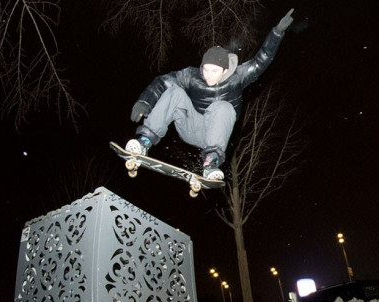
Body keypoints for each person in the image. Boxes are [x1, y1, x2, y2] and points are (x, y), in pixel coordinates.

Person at [125, 9, 295, 180]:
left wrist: (277, 32)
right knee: (174, 91)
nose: (208, 75)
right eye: (205, 69)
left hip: (215, 133)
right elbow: (163, 82)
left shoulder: (238, 77)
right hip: (190, 127)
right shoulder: (191, 76)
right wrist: (145, 102)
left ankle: (210, 163)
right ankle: (144, 141)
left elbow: (261, 61)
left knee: (223, 106)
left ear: (225, 70)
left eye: (214, 71)